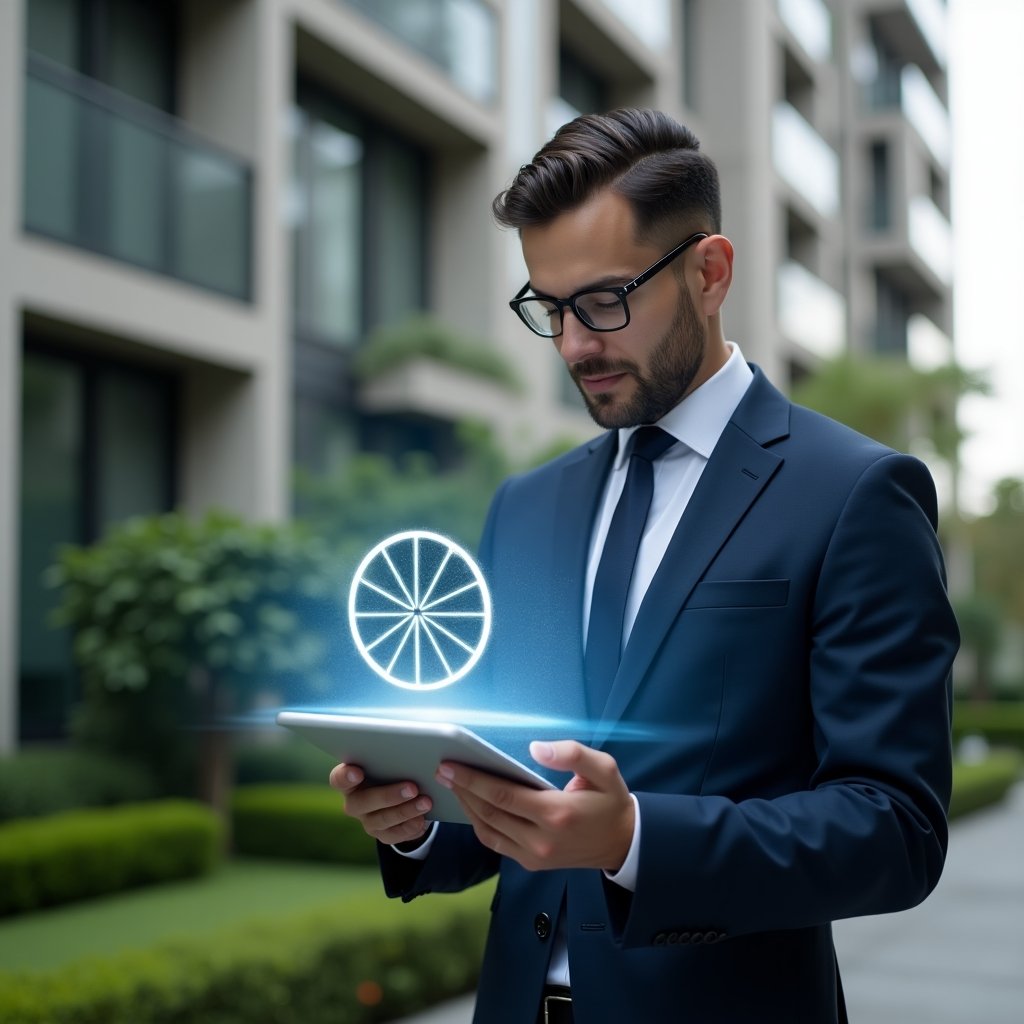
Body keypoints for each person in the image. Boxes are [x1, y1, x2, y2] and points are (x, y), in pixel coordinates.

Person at [331, 108, 959, 1023]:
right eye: (550, 308)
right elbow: (513, 790)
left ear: (710, 272)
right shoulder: (526, 506)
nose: (576, 345)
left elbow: (896, 829)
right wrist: (421, 818)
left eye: (604, 301)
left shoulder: (856, 493)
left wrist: (634, 838)